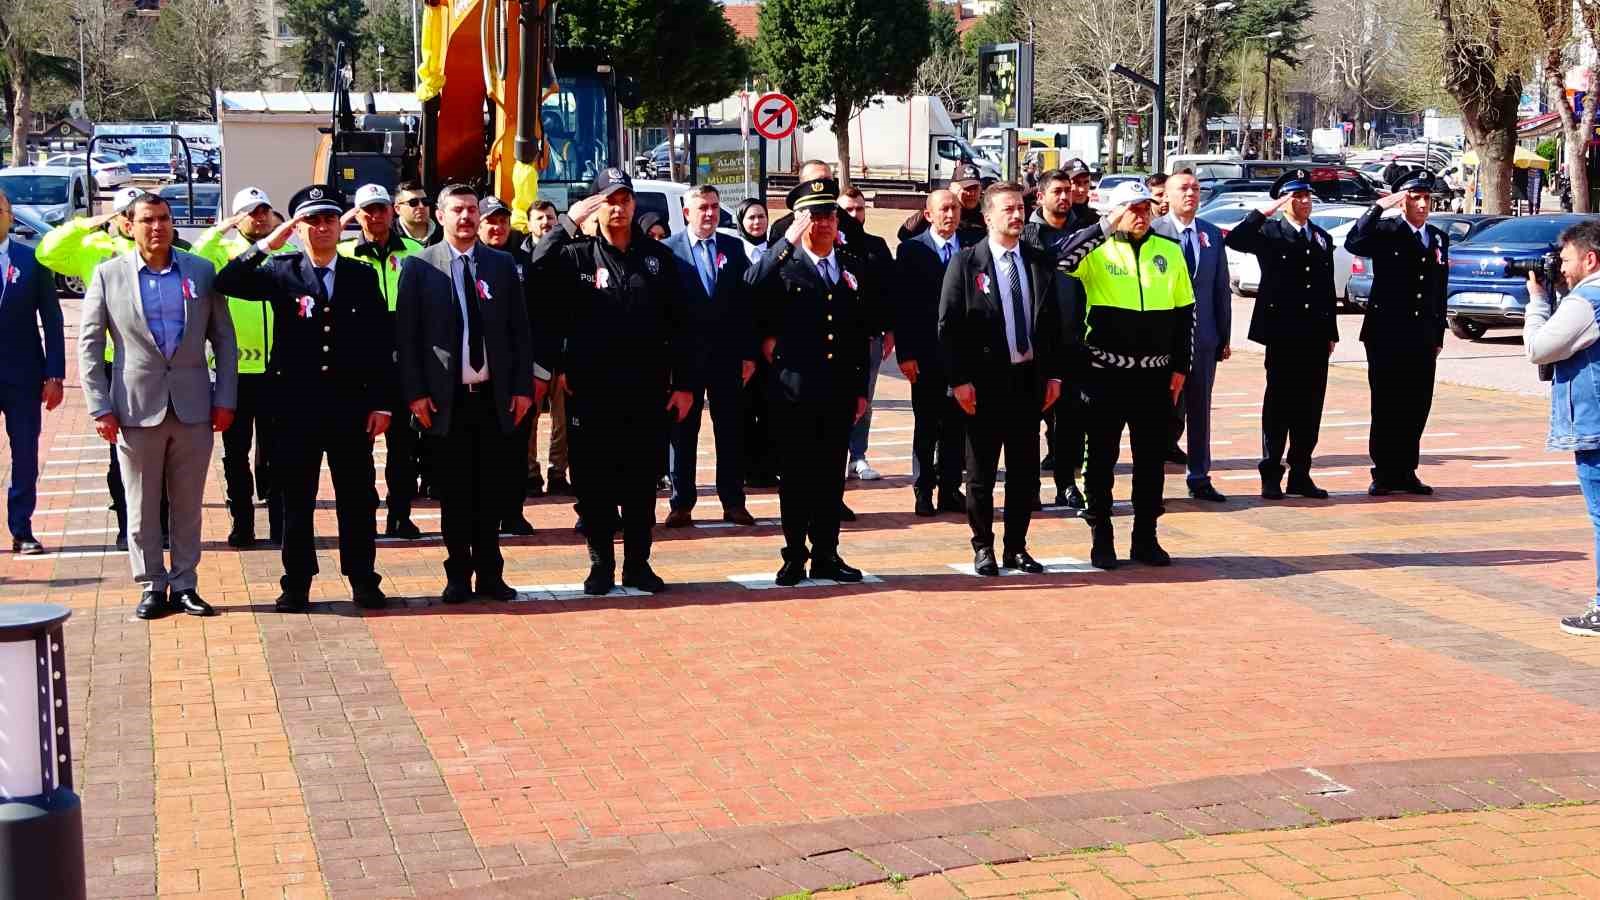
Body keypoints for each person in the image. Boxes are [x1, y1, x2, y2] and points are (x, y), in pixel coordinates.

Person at [214, 185, 393, 612]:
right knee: (295, 497)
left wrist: (382, 401)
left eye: (330, 218)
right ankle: (296, 581)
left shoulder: (360, 274)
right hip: (294, 407)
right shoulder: (281, 270)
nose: (323, 227)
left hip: (350, 407)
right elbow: (227, 280)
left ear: (340, 224)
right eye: (311, 220)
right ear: (297, 227)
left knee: (358, 496)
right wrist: (268, 242)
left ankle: (363, 578)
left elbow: (379, 343)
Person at [532, 169, 692, 595]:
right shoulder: (578, 256)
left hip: (645, 393)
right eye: (608, 200)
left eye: (624, 199)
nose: (617, 207)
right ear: (595, 207)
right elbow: (537, 265)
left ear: (635, 205)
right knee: (595, 485)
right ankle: (600, 564)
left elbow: (682, 326)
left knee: (641, 486)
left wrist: (685, 383)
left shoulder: (658, 260)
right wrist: (567, 222)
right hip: (592, 393)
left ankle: (638, 565)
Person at [79, 192, 238, 619]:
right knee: (142, 505)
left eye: (164, 219)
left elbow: (224, 339)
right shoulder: (108, 275)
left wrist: (224, 398)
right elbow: (90, 346)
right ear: (129, 226)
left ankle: (185, 583)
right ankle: (151, 584)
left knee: (187, 504)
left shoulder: (202, 272)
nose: (157, 227)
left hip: (193, 407)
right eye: (148, 219)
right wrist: (99, 406)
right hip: (134, 408)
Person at [397, 184, 538, 603]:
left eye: (472, 210)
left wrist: (522, 389)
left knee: (492, 491)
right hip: (447, 401)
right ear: (440, 216)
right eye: (457, 210)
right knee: (455, 494)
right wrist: (416, 394)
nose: (466, 217)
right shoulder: (420, 267)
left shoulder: (501, 265)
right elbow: (408, 338)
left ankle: (491, 574)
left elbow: (519, 332)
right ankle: (457, 573)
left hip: (494, 398)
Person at [1058, 180, 1195, 570]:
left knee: (1151, 462)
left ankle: (1145, 537)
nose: (1141, 215)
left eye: (1145, 208)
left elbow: (1185, 312)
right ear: (1114, 212)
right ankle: (1102, 536)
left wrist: (1181, 366)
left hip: (1154, 377)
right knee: (1101, 460)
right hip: (1106, 375)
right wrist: (1103, 228)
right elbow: (1061, 261)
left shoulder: (1168, 250)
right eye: (1132, 209)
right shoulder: (1096, 250)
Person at [746, 178, 871, 586]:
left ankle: (827, 554)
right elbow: (750, 286)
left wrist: (858, 390)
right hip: (795, 391)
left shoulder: (849, 266)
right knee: (797, 478)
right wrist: (786, 243)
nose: (826, 223)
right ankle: (794, 556)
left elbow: (854, 334)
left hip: (836, 392)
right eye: (816, 215)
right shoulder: (785, 265)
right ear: (801, 220)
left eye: (830, 214)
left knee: (831, 478)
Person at [939, 182, 1063, 575]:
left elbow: (1053, 322)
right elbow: (949, 325)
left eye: (1020, 209)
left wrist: (1054, 375)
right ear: (988, 216)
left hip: (1028, 380)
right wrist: (959, 380)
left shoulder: (1038, 260)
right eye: (1007, 209)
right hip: (984, 384)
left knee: (1024, 473)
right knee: (981, 473)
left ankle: (1017, 547)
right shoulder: (966, 262)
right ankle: (983, 546)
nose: (1016, 215)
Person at [36, 186, 162, 551]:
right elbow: (48, 252)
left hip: (156, 365)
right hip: (114, 365)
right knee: (120, 452)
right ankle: (128, 524)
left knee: (163, 449)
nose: (130, 222)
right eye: (125, 215)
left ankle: (162, 525)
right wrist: (85, 224)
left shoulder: (157, 251)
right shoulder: (94, 250)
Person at [1226, 169, 1338, 500]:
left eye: (1306, 196)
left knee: (1310, 406)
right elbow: (1236, 239)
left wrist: (1330, 331)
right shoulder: (1270, 233)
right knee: (1279, 405)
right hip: (1282, 334)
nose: (1304, 202)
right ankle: (1271, 473)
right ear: (1285, 200)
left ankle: (1301, 473)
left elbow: (1325, 288)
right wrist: (1265, 210)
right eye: (1296, 196)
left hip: (1315, 335)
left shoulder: (1321, 237)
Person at [190, 186, 292, 547]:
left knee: (278, 451)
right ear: (237, 218)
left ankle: (281, 524)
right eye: (251, 211)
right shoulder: (223, 253)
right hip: (234, 374)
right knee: (236, 453)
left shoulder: (283, 251)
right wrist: (221, 228)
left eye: (264, 209)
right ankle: (243, 524)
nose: (259, 216)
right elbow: (197, 256)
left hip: (277, 373)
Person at [1345, 168, 1447, 496]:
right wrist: (1379, 207)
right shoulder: (1386, 230)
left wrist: (1438, 336)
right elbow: (1354, 242)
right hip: (1386, 333)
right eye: (1414, 197)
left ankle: (1407, 470)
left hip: (1422, 335)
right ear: (1402, 202)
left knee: (1417, 404)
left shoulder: (1437, 237)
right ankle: (1385, 471)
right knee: (1387, 403)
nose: (1422, 204)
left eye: (1426, 198)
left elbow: (1438, 288)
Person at [662, 185, 758, 528]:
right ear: (687, 212)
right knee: (683, 432)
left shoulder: (733, 247)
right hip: (685, 361)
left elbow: (746, 304)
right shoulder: (668, 251)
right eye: (702, 208)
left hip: (727, 358)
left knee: (731, 431)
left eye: (715, 207)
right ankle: (681, 502)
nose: (709, 214)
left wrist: (749, 353)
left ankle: (733, 501)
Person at [337, 183, 428, 538]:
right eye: (367, 210)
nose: (375, 217)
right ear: (356, 215)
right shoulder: (343, 252)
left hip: (404, 359)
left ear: (392, 211)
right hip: (359, 362)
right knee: (359, 447)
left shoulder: (417, 251)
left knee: (404, 449)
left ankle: (400, 514)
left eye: (381, 209)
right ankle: (364, 511)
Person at [1525, 220, 1600, 636]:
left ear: (1590, 259)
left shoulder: (1587, 299)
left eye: (1566, 259)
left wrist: (1537, 302)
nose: (1561, 267)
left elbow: (1540, 349)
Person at [1153, 170, 1232, 502]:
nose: (1191, 194)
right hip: (1161, 342)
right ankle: (1151, 477)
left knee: (1200, 410)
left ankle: (1199, 475)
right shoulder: (1153, 232)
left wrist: (1223, 337)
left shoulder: (1211, 235)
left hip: (1202, 340)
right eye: (1183, 188)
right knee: (1158, 412)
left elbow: (1220, 290)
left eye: (1196, 189)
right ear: (1166, 197)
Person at [1026, 162, 1098, 509]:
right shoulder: (1028, 236)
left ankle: (1066, 483)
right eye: (1057, 191)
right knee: (1029, 419)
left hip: (1075, 342)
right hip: (1037, 344)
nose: (1065, 196)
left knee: (1072, 419)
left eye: (1068, 190)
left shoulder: (1084, 231)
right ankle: (1028, 486)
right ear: (1040, 196)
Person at [895, 189, 968, 517]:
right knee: (927, 425)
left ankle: (951, 489)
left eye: (954, 208)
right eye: (943, 209)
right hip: (924, 354)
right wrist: (905, 354)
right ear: (928, 215)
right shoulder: (911, 251)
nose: (950, 215)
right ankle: (923, 490)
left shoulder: (971, 248)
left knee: (956, 425)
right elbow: (904, 306)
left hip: (960, 355)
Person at [0, 188, 65, 555]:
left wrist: (54, 374)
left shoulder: (31, 260)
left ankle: (21, 529)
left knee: (24, 453)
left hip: (23, 376)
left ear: (10, 215)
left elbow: (53, 321)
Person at [477, 194, 538, 535]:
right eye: (490, 221)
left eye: (502, 220)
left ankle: (513, 512)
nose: (497, 227)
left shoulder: (522, 260)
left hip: (516, 369)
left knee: (515, 446)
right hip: (480, 370)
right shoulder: (469, 263)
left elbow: (536, 318)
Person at [839, 186, 895, 486]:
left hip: (870, 338)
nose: (854, 215)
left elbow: (890, 291)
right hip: (835, 339)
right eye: (848, 209)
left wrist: (890, 330)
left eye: (859, 209)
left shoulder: (876, 245)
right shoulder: (831, 243)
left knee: (865, 399)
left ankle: (857, 455)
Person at [523, 200, 570, 495]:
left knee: (563, 421)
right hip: (530, 353)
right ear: (528, 223)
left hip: (561, 350)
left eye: (551, 217)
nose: (546, 222)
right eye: (539, 218)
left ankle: (557, 473)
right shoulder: (519, 257)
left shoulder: (567, 255)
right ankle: (529, 473)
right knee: (528, 419)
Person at [900, 163, 987, 242]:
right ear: (952, 188)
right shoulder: (940, 212)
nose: (971, 193)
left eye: (975, 188)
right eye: (966, 189)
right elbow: (904, 234)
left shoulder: (986, 214)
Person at [394, 181, 441, 245]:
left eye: (425, 201)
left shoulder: (444, 232)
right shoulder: (387, 235)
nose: (421, 206)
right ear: (398, 209)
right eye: (413, 202)